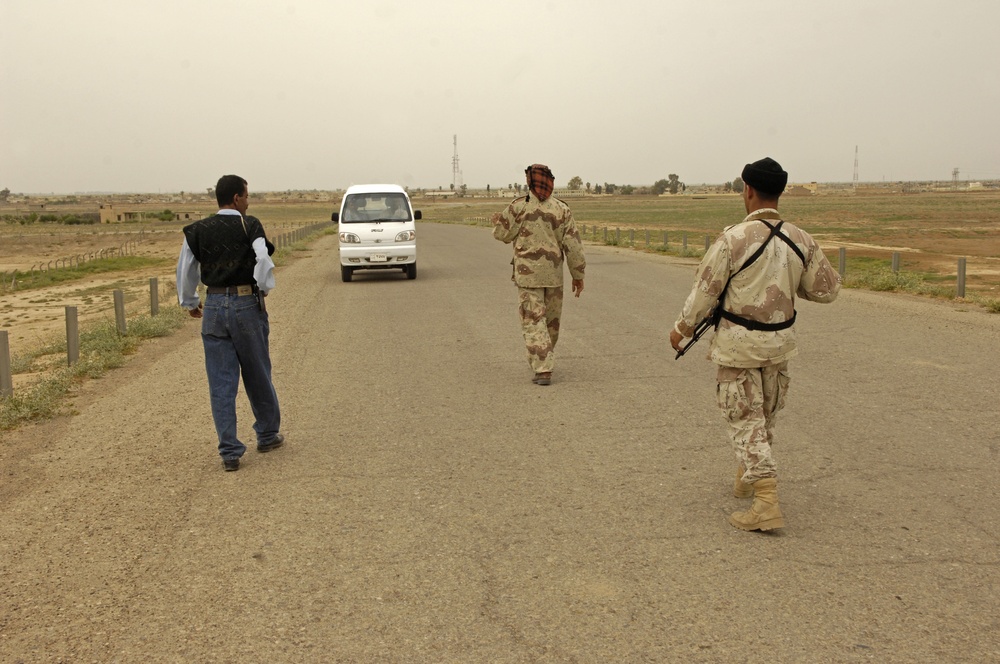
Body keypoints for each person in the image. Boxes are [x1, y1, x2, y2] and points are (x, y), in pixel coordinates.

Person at [669, 158, 841, 531]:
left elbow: (705, 292)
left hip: (739, 348)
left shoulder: (732, 239)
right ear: (778, 192)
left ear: (747, 191)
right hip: (779, 346)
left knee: (744, 419)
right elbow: (827, 290)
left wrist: (682, 329)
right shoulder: (801, 239)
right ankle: (748, 477)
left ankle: (765, 501)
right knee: (763, 417)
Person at [176, 174, 284, 472]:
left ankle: (230, 451)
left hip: (212, 306)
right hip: (245, 303)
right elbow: (263, 259)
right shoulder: (249, 225)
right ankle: (266, 434)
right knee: (257, 371)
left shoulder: (196, 230)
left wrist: (189, 301)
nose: (249, 202)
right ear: (236, 198)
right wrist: (262, 288)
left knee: (221, 381)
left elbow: (186, 267)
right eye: (247, 196)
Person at [491, 164, 586, 385]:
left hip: (528, 277)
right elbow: (573, 246)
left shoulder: (518, 208)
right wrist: (578, 275)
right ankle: (545, 358)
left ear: (530, 182)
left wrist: (498, 221)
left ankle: (543, 368)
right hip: (554, 276)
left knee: (534, 321)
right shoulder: (562, 209)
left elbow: (502, 235)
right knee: (551, 323)